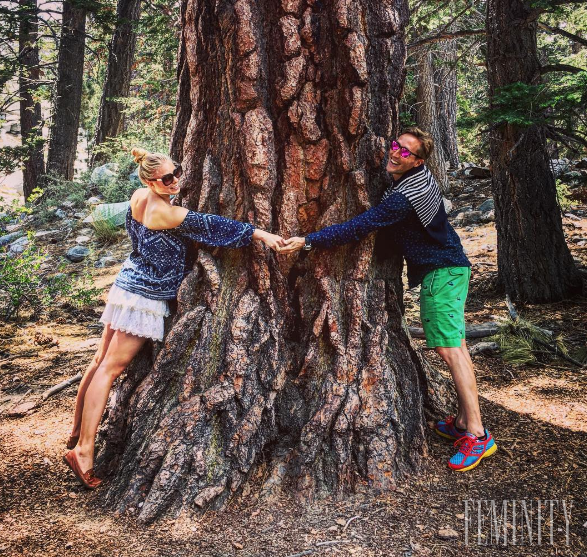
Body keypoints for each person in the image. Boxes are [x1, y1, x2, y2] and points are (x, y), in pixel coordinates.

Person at [64, 148, 285, 489]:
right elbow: (212, 226)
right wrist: (261, 234)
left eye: (177, 172)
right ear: (151, 182)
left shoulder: (138, 196)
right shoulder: (165, 212)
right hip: (144, 296)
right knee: (111, 368)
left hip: (127, 283)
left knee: (99, 361)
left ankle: (77, 431)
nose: (176, 180)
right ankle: (84, 450)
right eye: (168, 178)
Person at [279, 127, 497, 472]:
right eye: (396, 145)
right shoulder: (415, 179)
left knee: (450, 349)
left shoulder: (404, 194)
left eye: (406, 152)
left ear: (419, 161)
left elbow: (359, 227)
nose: (396, 153)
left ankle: (477, 433)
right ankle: (461, 422)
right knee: (453, 348)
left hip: (444, 272)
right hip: (446, 270)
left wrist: (309, 240)